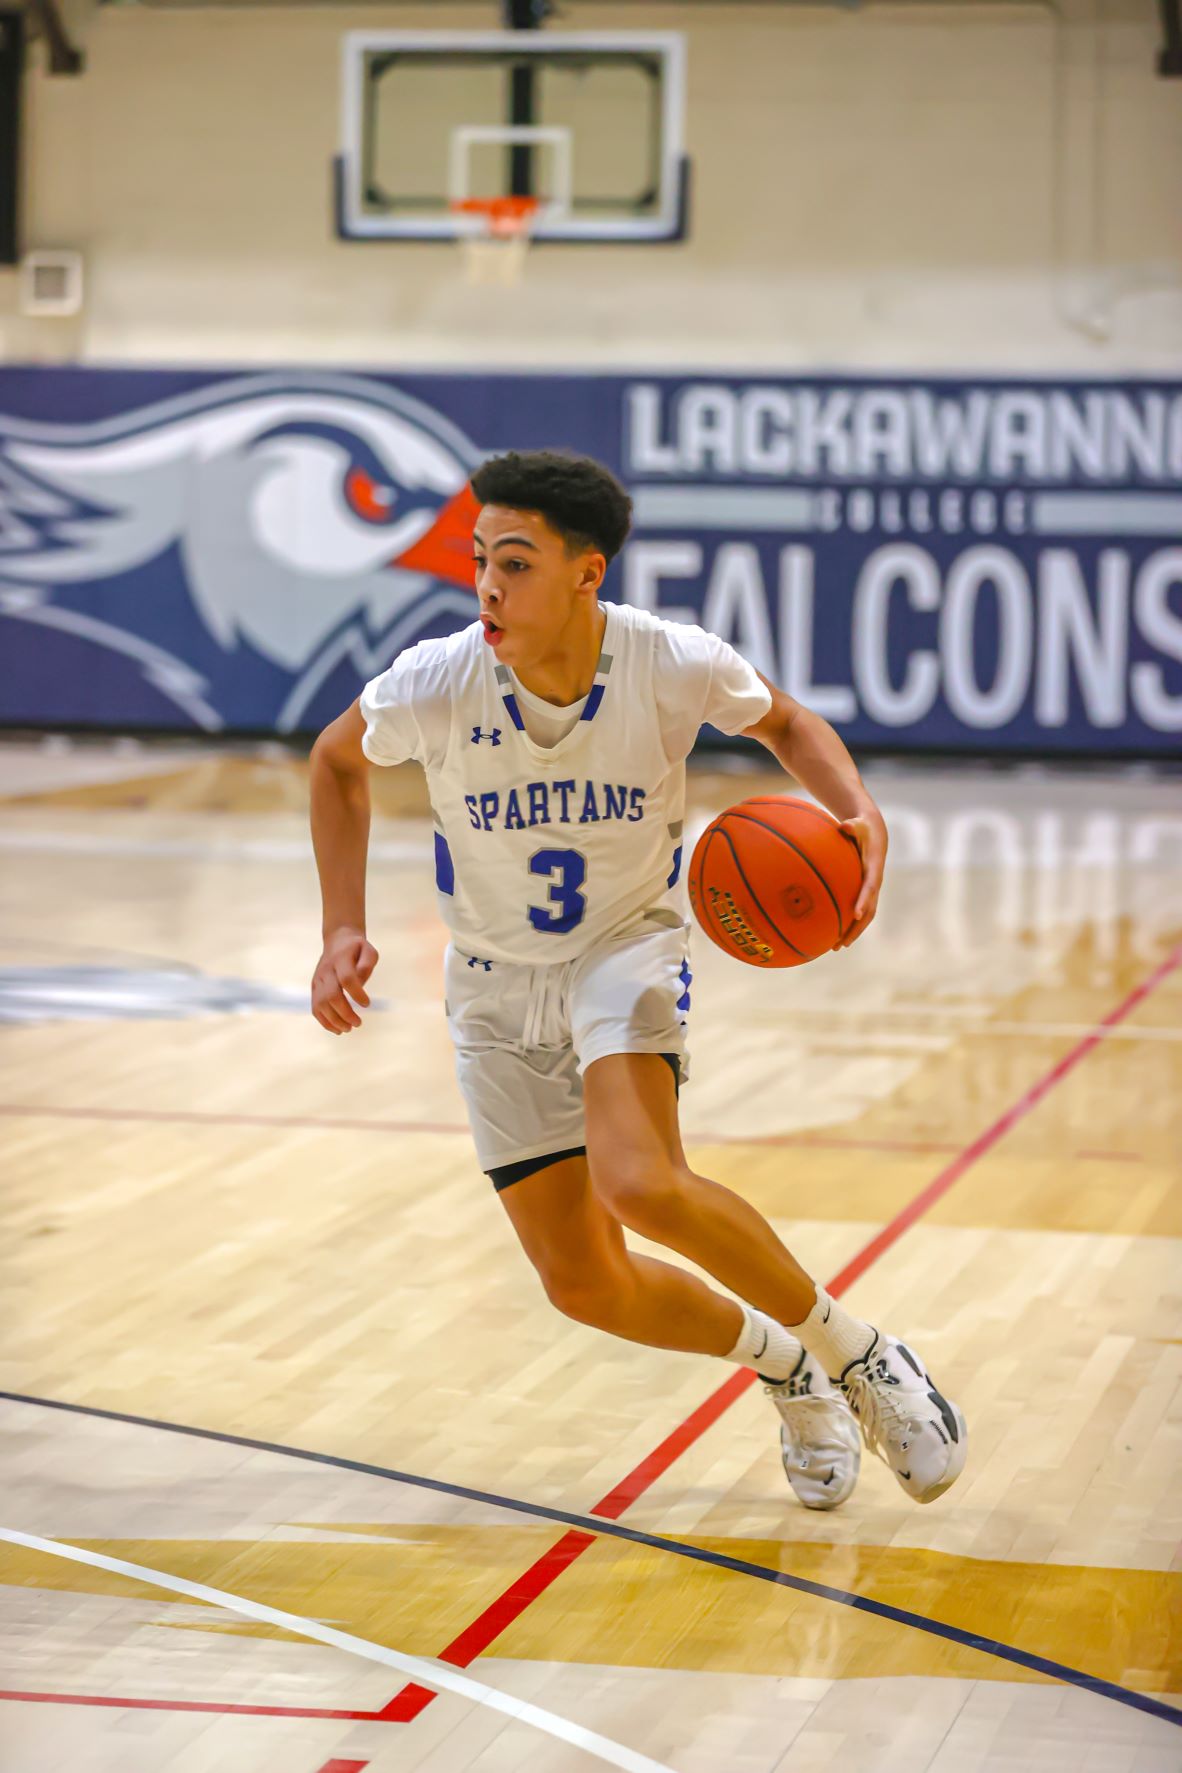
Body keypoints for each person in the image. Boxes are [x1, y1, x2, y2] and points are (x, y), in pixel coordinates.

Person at [309, 449, 966, 1510]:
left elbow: (788, 723)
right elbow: (336, 762)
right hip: (489, 982)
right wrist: (342, 925)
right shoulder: (437, 682)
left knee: (639, 1180)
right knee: (583, 1285)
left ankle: (860, 1355)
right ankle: (782, 1365)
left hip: (623, 951)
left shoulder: (668, 662)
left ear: (585, 572)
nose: (487, 586)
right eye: (479, 560)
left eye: (514, 564)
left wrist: (860, 816)